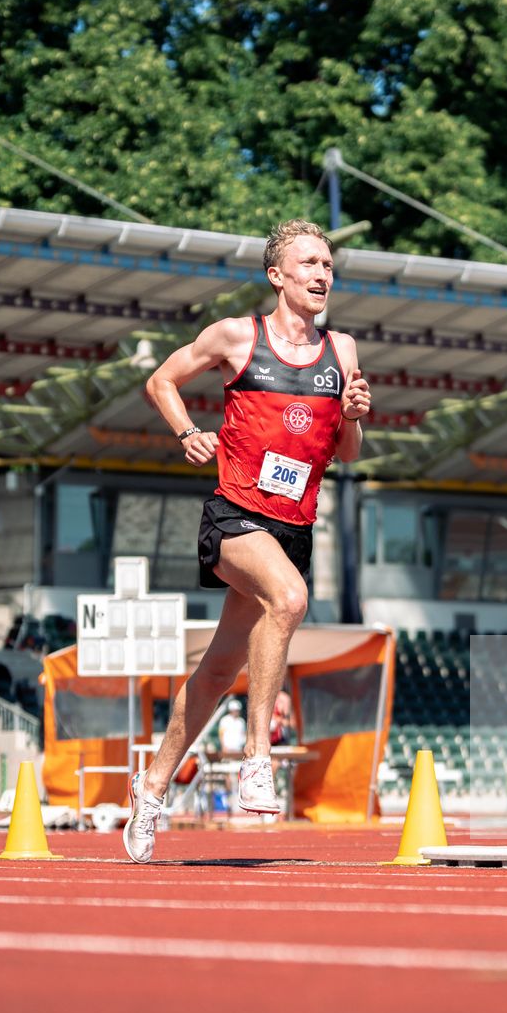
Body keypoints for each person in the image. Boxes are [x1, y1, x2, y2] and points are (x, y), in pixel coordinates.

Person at [123, 219, 371, 863]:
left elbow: (346, 452)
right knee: (289, 599)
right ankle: (256, 759)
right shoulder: (238, 337)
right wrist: (186, 434)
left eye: (328, 265)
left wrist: (352, 417)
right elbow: (161, 381)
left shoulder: (340, 350)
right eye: (309, 264)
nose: (322, 275)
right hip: (234, 514)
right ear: (278, 276)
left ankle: (150, 789)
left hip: (293, 526)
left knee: (216, 672)